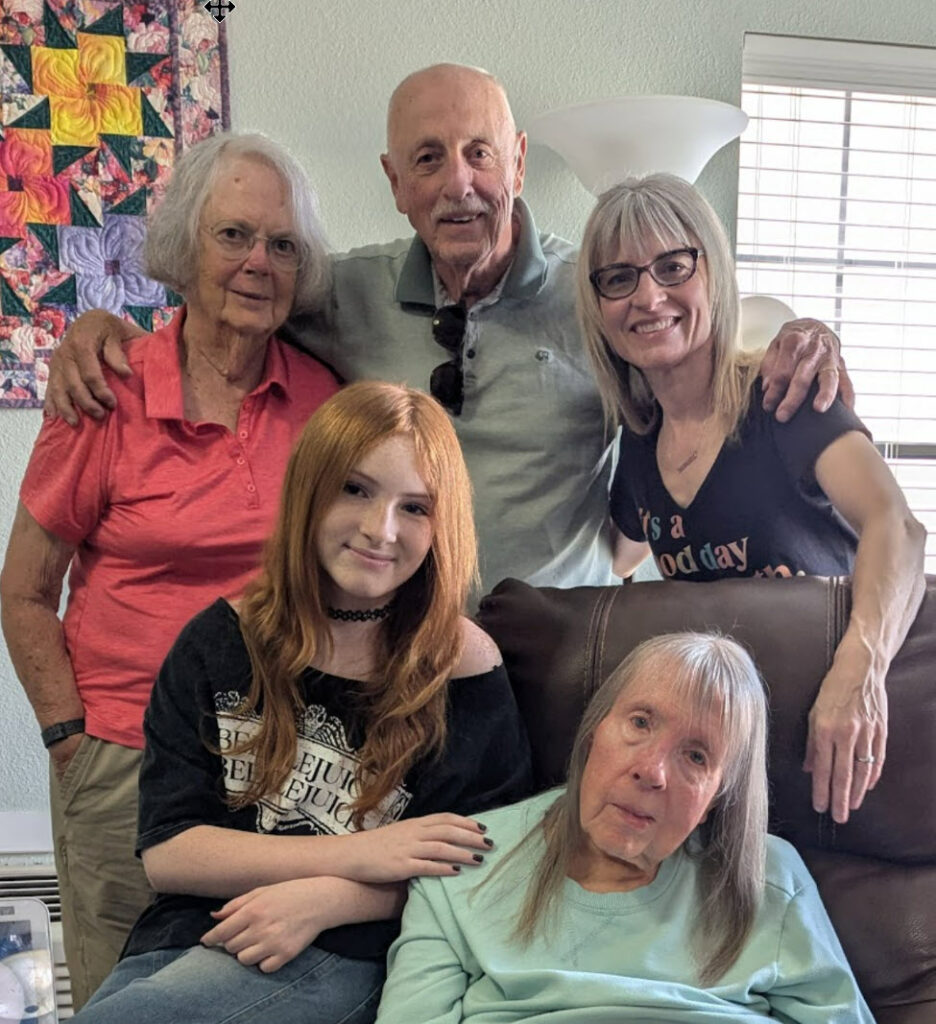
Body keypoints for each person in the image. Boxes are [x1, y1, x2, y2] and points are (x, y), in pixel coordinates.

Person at [43, 64, 849, 597]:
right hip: (396, 657)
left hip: (558, 651)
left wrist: (806, 337)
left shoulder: (600, 294)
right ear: (395, 182)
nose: (459, 183)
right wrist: (101, 329)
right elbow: (230, 302)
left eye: (479, 154)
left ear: (519, 163)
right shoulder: (338, 294)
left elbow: (701, 362)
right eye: (428, 159)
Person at [0, 132, 340, 1008]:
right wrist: (68, 737)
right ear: (185, 249)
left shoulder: (324, 401)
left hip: (281, 754)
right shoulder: (105, 389)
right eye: (233, 235)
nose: (258, 262)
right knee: (125, 997)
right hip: (126, 753)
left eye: (283, 245)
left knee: (254, 995)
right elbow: (25, 589)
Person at [71, 381, 532, 1024]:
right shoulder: (217, 641)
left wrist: (331, 899)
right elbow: (170, 852)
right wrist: (355, 855)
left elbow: (490, 865)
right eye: (355, 489)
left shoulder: (461, 665)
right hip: (187, 936)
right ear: (308, 492)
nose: (380, 530)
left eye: (415, 507)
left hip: (351, 951)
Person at [575, 173, 926, 825]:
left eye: (673, 266)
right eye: (619, 278)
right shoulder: (640, 443)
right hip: (725, 761)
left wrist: (860, 671)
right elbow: (620, 551)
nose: (648, 296)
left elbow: (898, 526)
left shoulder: (783, 399)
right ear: (598, 306)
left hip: (844, 742)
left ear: (713, 270)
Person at [375, 632, 876, 1024]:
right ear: (595, 731)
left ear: (716, 798)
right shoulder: (463, 858)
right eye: (640, 722)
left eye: (696, 756)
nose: (652, 772)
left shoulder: (769, 879)